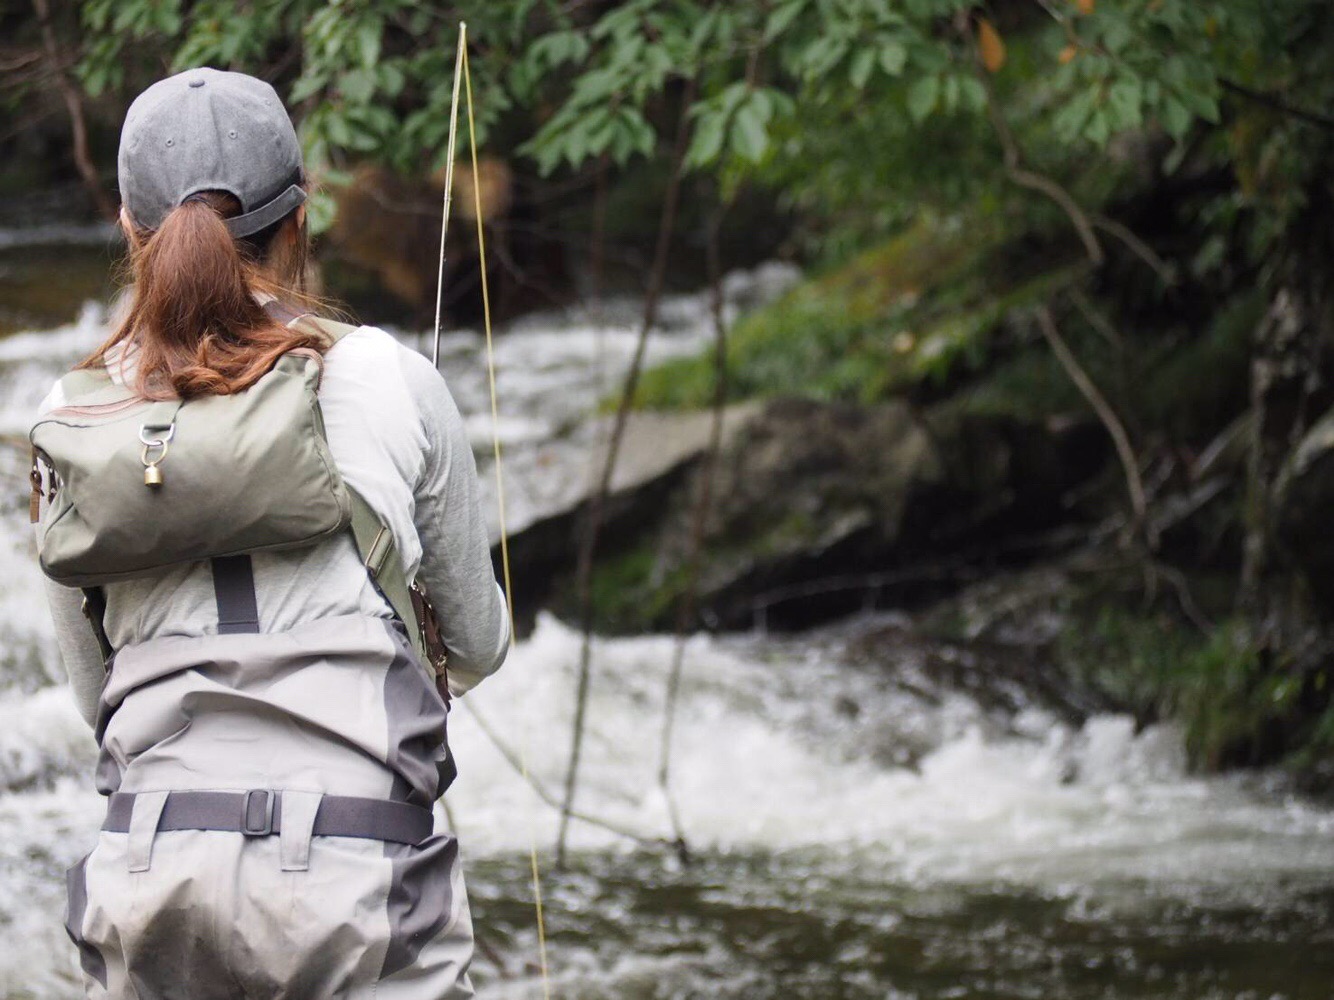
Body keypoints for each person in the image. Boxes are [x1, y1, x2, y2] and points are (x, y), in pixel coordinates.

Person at [34, 67, 509, 999]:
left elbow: (95, 693)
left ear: (131, 233)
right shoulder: (387, 377)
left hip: (149, 874)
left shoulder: (70, 415)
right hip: (360, 881)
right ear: (300, 221)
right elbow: (480, 645)